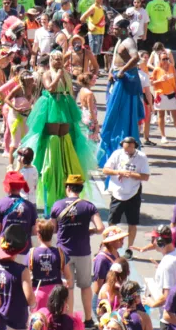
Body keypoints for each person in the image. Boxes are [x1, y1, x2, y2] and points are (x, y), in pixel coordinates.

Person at [20, 51, 99, 212]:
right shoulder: (47, 73)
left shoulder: (66, 74)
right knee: (52, 136)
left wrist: (65, 79)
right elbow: (49, 87)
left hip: (64, 104)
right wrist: (58, 76)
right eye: (55, 59)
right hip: (51, 104)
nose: (58, 61)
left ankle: (65, 166)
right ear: (50, 60)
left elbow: (70, 91)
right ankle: (51, 165)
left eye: (60, 59)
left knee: (67, 135)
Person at [50, 174, 103, 329]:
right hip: (83, 251)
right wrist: (90, 231)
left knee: (69, 287)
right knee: (86, 286)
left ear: (68, 188)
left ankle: (70, 320)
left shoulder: (57, 205)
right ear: (80, 188)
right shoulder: (88, 206)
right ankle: (87, 321)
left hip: (63, 252)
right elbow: (100, 228)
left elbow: (52, 228)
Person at [98, 19, 145, 165]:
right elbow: (116, 61)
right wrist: (112, 71)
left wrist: (122, 70)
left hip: (126, 82)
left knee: (121, 115)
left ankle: (124, 145)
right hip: (118, 79)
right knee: (113, 114)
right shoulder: (121, 40)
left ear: (124, 29)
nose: (113, 30)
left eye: (116, 28)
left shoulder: (129, 41)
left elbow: (135, 57)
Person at [101, 137, 150, 247]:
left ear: (135, 147)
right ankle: (110, 243)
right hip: (117, 192)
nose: (127, 151)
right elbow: (105, 170)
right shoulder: (117, 154)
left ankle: (130, 248)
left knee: (132, 223)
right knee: (112, 222)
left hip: (133, 192)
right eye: (125, 149)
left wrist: (131, 174)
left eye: (129, 149)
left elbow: (146, 176)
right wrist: (119, 172)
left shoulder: (141, 157)